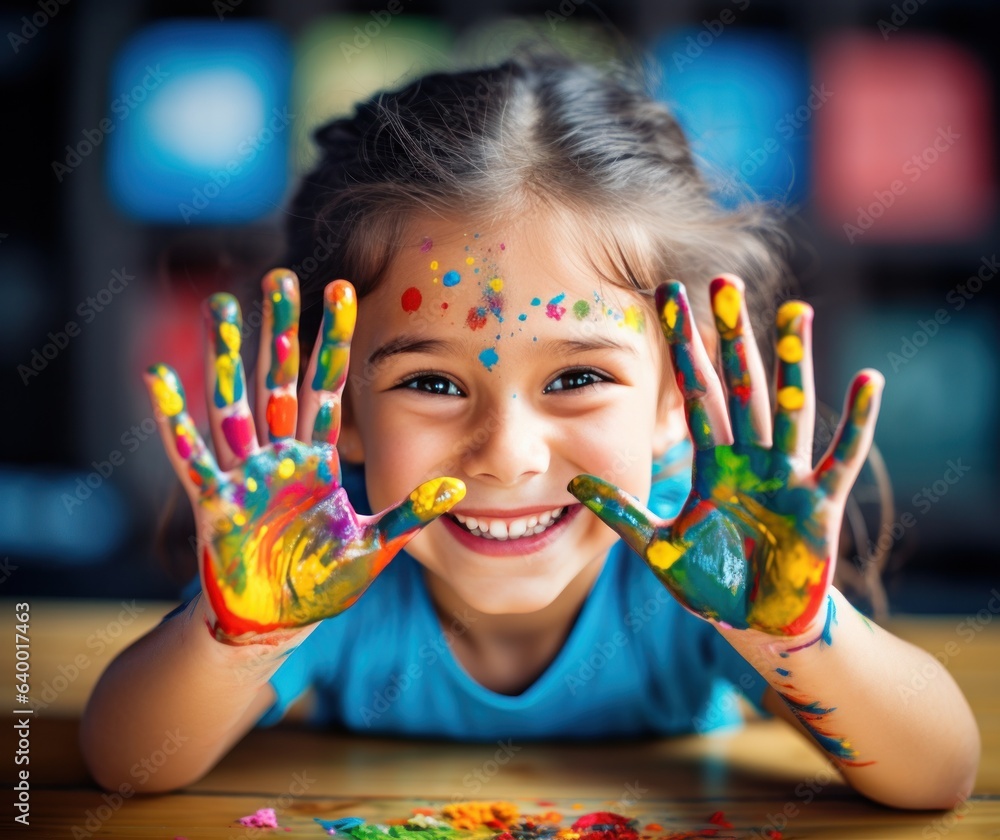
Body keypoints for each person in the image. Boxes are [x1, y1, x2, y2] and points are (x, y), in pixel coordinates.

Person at [80, 49, 978, 808]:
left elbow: (940, 774)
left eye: (579, 378)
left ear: (679, 397)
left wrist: (795, 637)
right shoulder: (324, 566)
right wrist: (243, 637)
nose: (507, 455)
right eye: (431, 382)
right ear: (341, 407)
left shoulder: (712, 564)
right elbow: (123, 762)